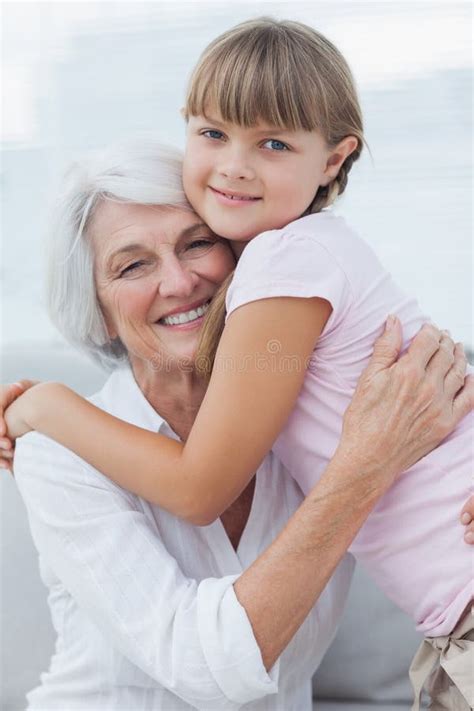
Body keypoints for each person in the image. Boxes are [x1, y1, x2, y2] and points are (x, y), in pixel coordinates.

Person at [2, 18, 473, 708]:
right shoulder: (61, 454)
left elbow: (200, 488)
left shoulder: (285, 282)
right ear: (97, 307)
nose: (179, 282)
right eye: (133, 264)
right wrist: (366, 461)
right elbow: (198, 660)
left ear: (334, 160)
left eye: (197, 244)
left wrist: (46, 403)